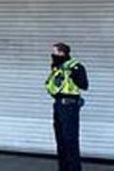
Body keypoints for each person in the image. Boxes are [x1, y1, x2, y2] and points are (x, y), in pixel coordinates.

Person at [45, 42, 89, 171]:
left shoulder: (76, 67)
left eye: (55, 52)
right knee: (61, 141)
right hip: (58, 105)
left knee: (70, 140)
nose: (53, 55)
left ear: (62, 53)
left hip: (69, 106)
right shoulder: (57, 67)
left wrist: (73, 75)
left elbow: (84, 85)